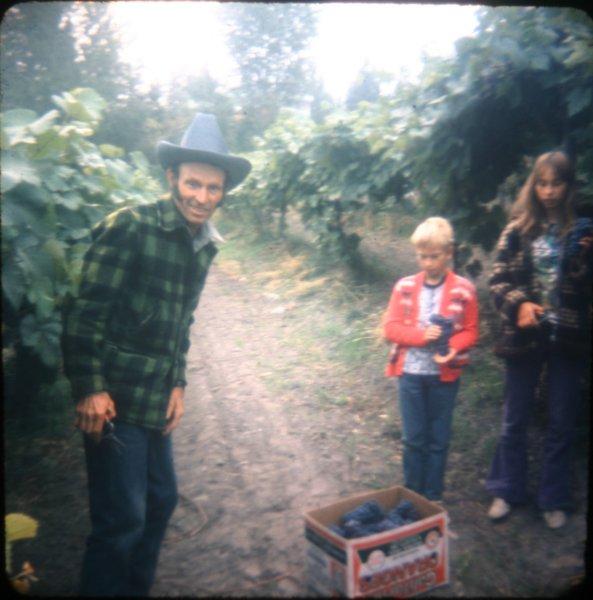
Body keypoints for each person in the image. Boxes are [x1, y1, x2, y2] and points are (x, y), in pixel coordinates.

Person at [62, 113, 251, 595]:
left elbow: (180, 323)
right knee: (122, 518)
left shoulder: (203, 244)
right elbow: (84, 312)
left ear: (223, 191)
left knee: (162, 501)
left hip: (153, 398)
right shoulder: (131, 226)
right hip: (113, 400)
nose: (201, 197)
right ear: (172, 179)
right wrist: (89, 388)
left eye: (213, 188)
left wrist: (179, 383)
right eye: (193, 183)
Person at [485, 150, 592, 529]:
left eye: (557, 183)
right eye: (542, 183)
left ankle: (553, 496)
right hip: (524, 335)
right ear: (534, 185)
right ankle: (506, 488)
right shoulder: (517, 228)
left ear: (568, 186)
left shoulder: (583, 229)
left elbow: (584, 287)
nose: (548, 191)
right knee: (515, 416)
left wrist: (584, 260)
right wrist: (519, 305)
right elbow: (497, 279)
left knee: (561, 419)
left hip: (567, 336)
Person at [383, 217, 479, 502]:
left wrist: (454, 346)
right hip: (410, 374)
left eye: (434, 256)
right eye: (422, 256)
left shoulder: (464, 289)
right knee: (414, 439)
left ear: (449, 253)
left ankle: (433, 497)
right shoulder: (404, 287)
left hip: (444, 376)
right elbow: (390, 328)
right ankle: (412, 496)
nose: (427, 263)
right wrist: (422, 336)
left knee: (438, 440)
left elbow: (472, 330)